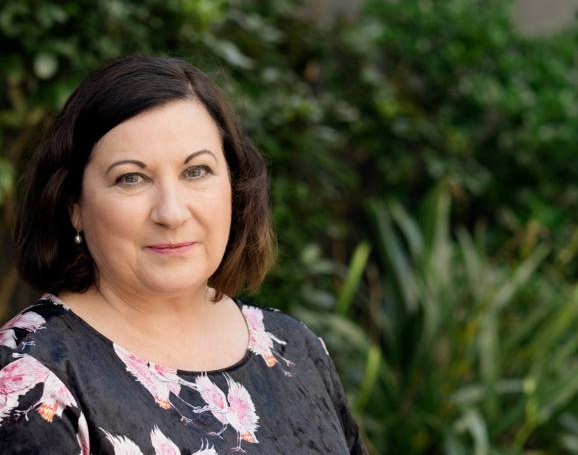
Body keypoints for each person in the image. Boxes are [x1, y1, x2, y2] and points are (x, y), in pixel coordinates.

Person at [0, 55, 368, 454]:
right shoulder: (31, 379)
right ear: (73, 203)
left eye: (196, 171)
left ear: (234, 185)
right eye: (131, 178)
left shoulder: (293, 348)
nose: (172, 213)